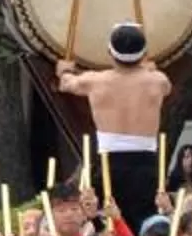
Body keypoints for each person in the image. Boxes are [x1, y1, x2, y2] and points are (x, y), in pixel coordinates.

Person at [58, 21, 175, 219]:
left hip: (108, 162)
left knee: (108, 221)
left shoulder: (94, 80)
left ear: (109, 52)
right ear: (144, 53)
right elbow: (166, 88)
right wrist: (149, 70)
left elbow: (66, 84)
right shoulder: (158, 81)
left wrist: (65, 70)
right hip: (145, 162)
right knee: (145, 219)